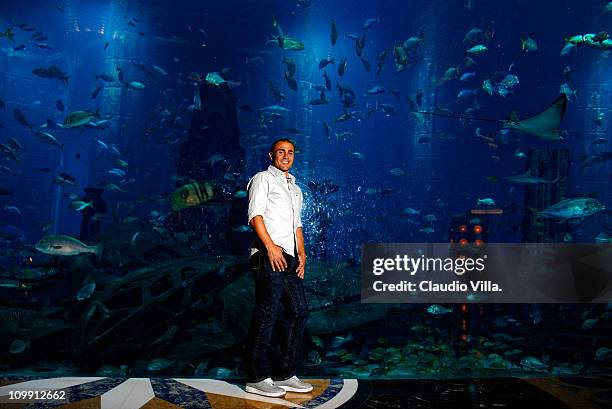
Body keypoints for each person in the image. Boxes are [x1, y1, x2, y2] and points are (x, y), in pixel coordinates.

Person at [243, 138, 312, 397]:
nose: (286, 156)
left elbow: (297, 224)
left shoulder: (295, 188)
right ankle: (256, 377)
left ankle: (284, 372)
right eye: (281, 152)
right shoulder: (263, 179)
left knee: (299, 310)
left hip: (291, 257)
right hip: (266, 254)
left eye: (290, 152)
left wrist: (302, 254)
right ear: (271, 155)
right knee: (267, 312)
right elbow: (255, 215)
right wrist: (271, 247)